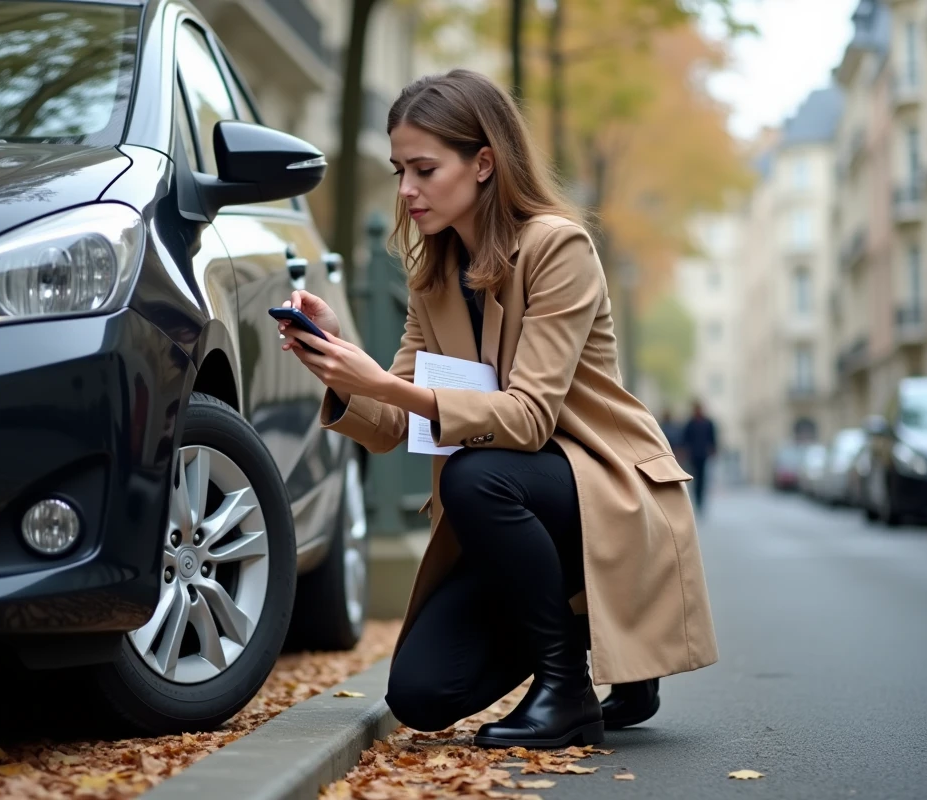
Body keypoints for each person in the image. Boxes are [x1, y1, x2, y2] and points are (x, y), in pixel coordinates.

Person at [274, 69, 717, 749]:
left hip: (600, 487)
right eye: (399, 170)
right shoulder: (435, 276)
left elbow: (530, 418)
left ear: (483, 163)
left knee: (474, 476)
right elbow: (395, 427)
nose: (406, 190)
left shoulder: (557, 247)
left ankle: (566, 687)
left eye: (423, 168)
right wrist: (338, 357)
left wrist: (388, 386)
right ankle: (594, 630)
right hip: (515, 505)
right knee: (420, 695)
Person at [681, 400, 718, 513]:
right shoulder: (690, 423)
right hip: (693, 455)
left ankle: (701, 501)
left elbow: (713, 438)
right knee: (695, 478)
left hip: (703, 454)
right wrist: (685, 451)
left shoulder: (708, 423)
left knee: (703, 478)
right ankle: (697, 500)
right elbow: (685, 439)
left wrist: (713, 449)